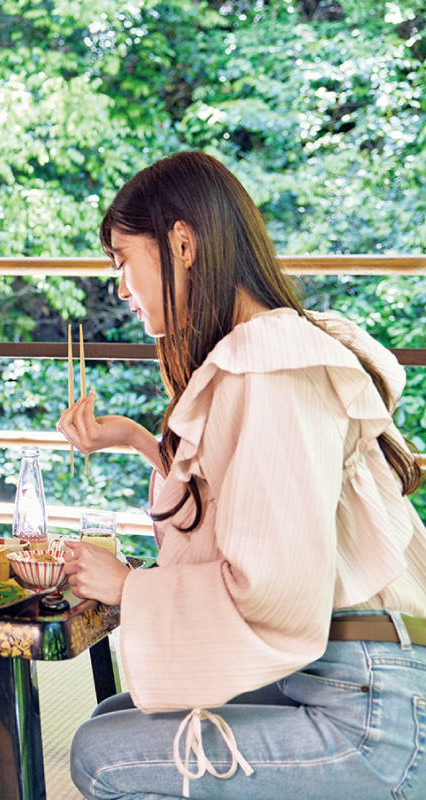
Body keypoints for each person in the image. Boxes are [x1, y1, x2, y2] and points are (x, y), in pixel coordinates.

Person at [57, 151, 426, 799]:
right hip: (346, 670)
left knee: (103, 755)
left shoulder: (269, 363)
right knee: (116, 717)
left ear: (181, 242)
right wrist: (140, 442)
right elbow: (247, 505)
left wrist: (128, 588)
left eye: (121, 258)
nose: (118, 285)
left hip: (378, 709)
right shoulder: (281, 346)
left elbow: (274, 590)